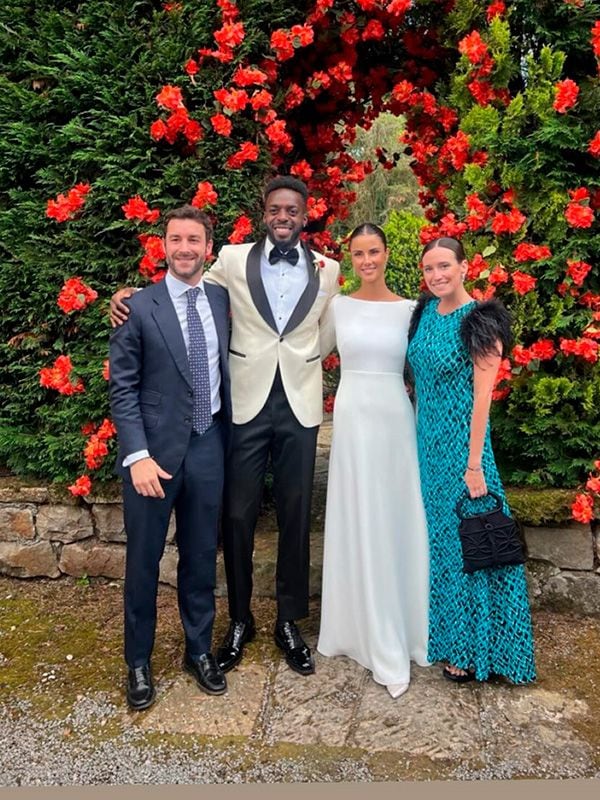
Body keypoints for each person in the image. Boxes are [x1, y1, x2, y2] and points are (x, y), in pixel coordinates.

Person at [110, 176, 340, 678]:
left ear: (306, 215)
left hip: (298, 404)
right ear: (265, 214)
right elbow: (178, 293)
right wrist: (127, 294)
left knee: (296, 516)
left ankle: (287, 621)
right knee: (235, 518)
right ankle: (239, 620)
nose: (284, 216)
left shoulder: (329, 270)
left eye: (293, 210)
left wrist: (301, 364)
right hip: (242, 407)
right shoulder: (231, 261)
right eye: (275, 209)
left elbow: (326, 334)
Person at [109, 205, 232, 710]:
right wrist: (136, 454)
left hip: (209, 446)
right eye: (176, 239)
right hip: (152, 457)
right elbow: (123, 388)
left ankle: (198, 650)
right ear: (163, 246)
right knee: (143, 561)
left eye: (194, 240)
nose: (185, 248)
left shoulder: (222, 299)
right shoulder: (138, 306)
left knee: (202, 557)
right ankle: (138, 661)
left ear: (209, 247)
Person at [406, 236, 536, 684]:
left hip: (464, 450)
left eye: (444, 266)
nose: (437, 275)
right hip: (427, 448)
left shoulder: (481, 320)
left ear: (464, 267)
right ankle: (451, 638)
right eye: (429, 269)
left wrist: (475, 463)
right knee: (445, 549)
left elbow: (484, 396)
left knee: (473, 545)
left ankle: (478, 650)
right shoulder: (424, 313)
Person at [316, 223, 430, 699]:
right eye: (358, 253)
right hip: (352, 419)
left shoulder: (410, 310)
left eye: (374, 251)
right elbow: (306, 351)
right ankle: (354, 626)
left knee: (394, 516)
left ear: (387, 254)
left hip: (394, 421)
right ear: (351, 257)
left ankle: (399, 625)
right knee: (357, 515)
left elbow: (425, 367)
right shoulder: (337, 306)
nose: (367, 261)